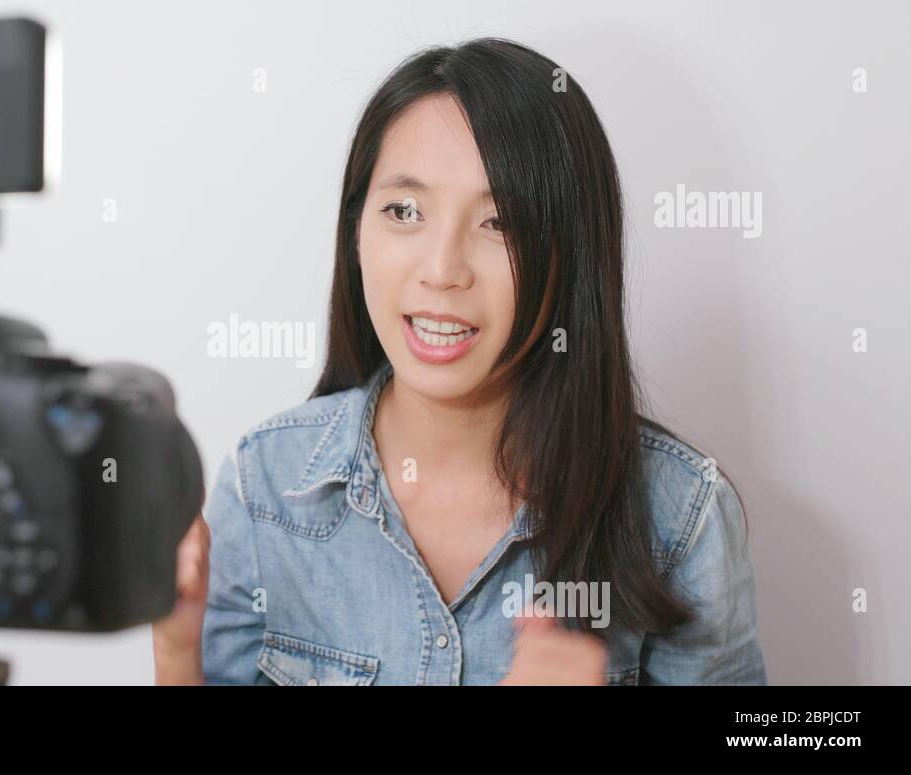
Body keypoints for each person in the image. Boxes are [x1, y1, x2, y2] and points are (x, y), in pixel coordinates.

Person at [153, 38, 767, 685]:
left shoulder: (678, 516)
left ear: (571, 256)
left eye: (499, 223)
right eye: (405, 211)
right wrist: (173, 650)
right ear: (356, 231)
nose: (442, 269)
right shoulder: (266, 488)